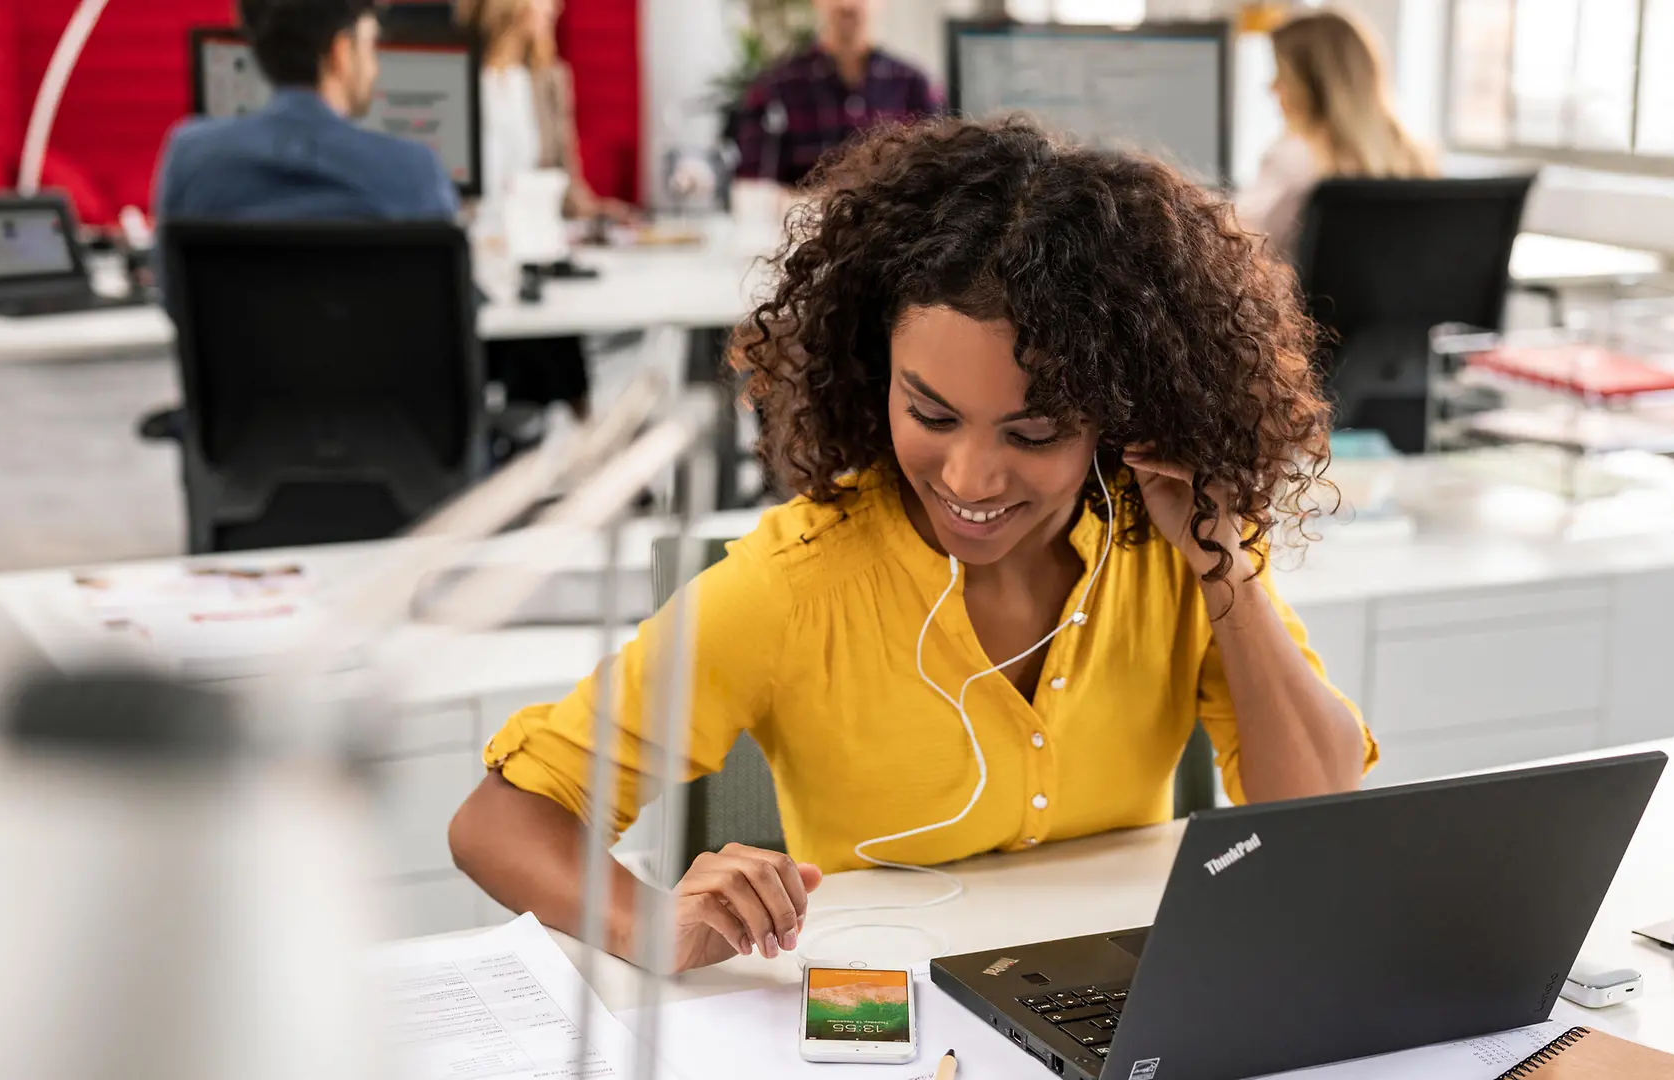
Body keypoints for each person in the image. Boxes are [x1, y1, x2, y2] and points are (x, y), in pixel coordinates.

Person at [448, 117, 1377, 973]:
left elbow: (1317, 822)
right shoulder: (794, 586)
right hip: (884, 1016)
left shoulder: (1166, 551)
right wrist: (650, 927)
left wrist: (1223, 561)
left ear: (1119, 415)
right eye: (930, 413)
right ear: (872, 370)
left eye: (1033, 432)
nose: (970, 479)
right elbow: (501, 820)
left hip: (1118, 1002)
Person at [458, 0, 630, 420]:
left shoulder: (548, 78)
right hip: (474, 255)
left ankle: (560, 458)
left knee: (547, 349)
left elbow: (567, 185)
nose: (555, 10)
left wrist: (603, 212)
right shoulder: (455, 75)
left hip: (529, 256)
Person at [154, 0, 455, 221]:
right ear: (340, 52)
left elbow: (176, 295)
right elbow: (448, 299)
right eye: (370, 47)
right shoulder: (415, 173)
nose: (375, 69)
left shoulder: (191, 159)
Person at [1236, 8, 1433, 263]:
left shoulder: (1294, 159)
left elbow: (1234, 248)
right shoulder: (1415, 161)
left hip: (1306, 303)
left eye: (1282, 75)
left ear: (1313, 85)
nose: (1272, 87)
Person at [732, 0, 943, 188]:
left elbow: (935, 177)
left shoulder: (915, 85)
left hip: (890, 227)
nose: (847, 5)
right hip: (802, 224)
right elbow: (753, 186)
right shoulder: (774, 88)